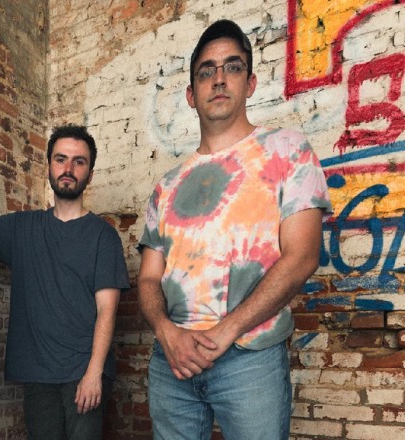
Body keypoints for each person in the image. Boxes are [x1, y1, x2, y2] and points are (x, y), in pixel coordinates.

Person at [137, 19, 332, 440]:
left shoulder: (287, 150)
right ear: (191, 95)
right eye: (206, 71)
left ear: (251, 82)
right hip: (172, 361)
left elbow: (303, 256)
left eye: (233, 66)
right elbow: (149, 278)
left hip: (250, 357)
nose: (219, 78)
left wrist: (226, 331)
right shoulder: (166, 186)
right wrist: (166, 332)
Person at [0, 124, 129, 440]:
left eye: (79, 161)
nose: (68, 168)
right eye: (61, 159)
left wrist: (94, 373)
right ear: (49, 167)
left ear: (90, 174)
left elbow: (107, 310)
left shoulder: (103, 236)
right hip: (38, 374)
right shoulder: (23, 228)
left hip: (84, 370)